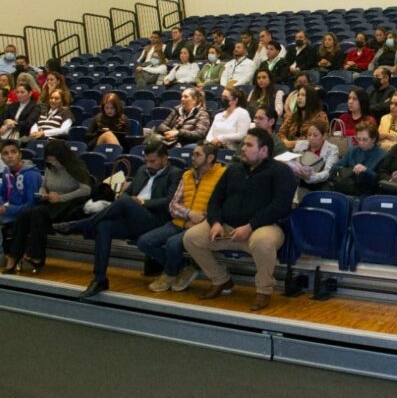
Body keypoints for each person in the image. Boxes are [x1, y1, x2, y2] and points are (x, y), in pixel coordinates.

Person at [182, 128, 297, 310]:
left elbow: (280, 207)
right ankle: (221, 279)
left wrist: (250, 226)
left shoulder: (281, 172)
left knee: (263, 242)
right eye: (243, 144)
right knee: (191, 237)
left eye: (249, 145)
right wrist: (215, 222)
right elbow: (215, 200)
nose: (242, 148)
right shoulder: (233, 169)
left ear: (264, 151)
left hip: (263, 227)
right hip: (227, 228)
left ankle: (264, 290)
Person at [53, 141, 183, 298]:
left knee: (125, 202)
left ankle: (78, 225)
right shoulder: (142, 170)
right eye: (146, 161)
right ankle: (99, 279)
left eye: (153, 161)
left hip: (155, 220)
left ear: (165, 159)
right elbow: (128, 192)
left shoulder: (175, 173)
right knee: (104, 226)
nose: (148, 165)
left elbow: (169, 201)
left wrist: (142, 202)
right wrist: (128, 199)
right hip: (132, 217)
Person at [137, 142, 226, 292]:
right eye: (193, 154)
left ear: (210, 158)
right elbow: (172, 205)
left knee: (172, 244)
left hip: (202, 226)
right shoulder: (187, 175)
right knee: (144, 242)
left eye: (197, 154)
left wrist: (201, 220)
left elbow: (220, 206)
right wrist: (189, 214)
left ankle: (169, 274)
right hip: (179, 222)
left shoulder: (222, 176)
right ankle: (183, 267)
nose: (193, 157)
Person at [3, 140, 90, 274]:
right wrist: (43, 193)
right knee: (25, 215)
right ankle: (14, 256)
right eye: (50, 160)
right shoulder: (50, 168)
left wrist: (61, 197)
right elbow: (44, 186)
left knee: (37, 213)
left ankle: (35, 256)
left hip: (70, 205)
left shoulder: (76, 168)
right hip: (51, 204)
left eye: (55, 160)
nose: (53, 163)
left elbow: (86, 190)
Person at [0, 140, 42, 255]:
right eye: (5, 153)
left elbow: (31, 206)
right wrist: (1, 205)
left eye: (13, 152)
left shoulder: (31, 175)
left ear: (20, 155)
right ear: (2, 158)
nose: (10, 156)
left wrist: (7, 210)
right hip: (11, 211)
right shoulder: (6, 172)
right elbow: (1, 193)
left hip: (27, 215)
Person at [329, 122, 385, 196]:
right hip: (348, 188)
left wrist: (366, 170)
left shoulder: (382, 155)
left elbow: (381, 181)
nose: (361, 143)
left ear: (373, 139)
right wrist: (349, 171)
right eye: (358, 139)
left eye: (365, 140)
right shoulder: (353, 151)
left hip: (368, 192)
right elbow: (334, 168)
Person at [291, 120, 339, 194]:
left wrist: (310, 177)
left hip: (320, 186)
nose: (311, 138)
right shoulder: (300, 144)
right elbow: (293, 161)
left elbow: (328, 172)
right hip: (298, 183)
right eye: (309, 135)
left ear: (324, 136)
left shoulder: (332, 149)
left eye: (315, 135)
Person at [278, 84, 328, 150]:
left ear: (311, 98)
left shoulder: (320, 116)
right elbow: (281, 134)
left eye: (303, 95)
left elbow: (317, 139)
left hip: (310, 152)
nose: (299, 97)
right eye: (298, 95)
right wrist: (285, 141)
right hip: (289, 151)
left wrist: (292, 144)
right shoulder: (291, 116)